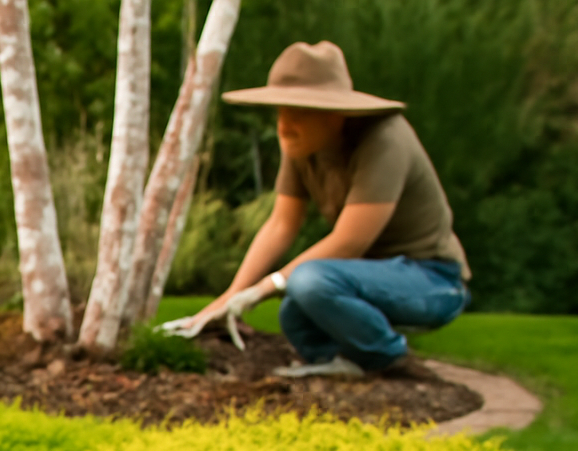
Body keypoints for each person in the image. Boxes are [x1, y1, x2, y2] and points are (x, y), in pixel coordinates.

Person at [164, 41, 470, 377]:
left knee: (309, 282)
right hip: (364, 277)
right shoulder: (303, 145)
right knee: (294, 312)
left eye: (298, 112)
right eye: (280, 110)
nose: (284, 125)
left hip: (432, 279)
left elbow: (350, 242)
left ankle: (390, 357)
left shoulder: (384, 140)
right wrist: (228, 301)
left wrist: (266, 287)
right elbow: (281, 225)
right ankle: (343, 363)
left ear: (335, 116)